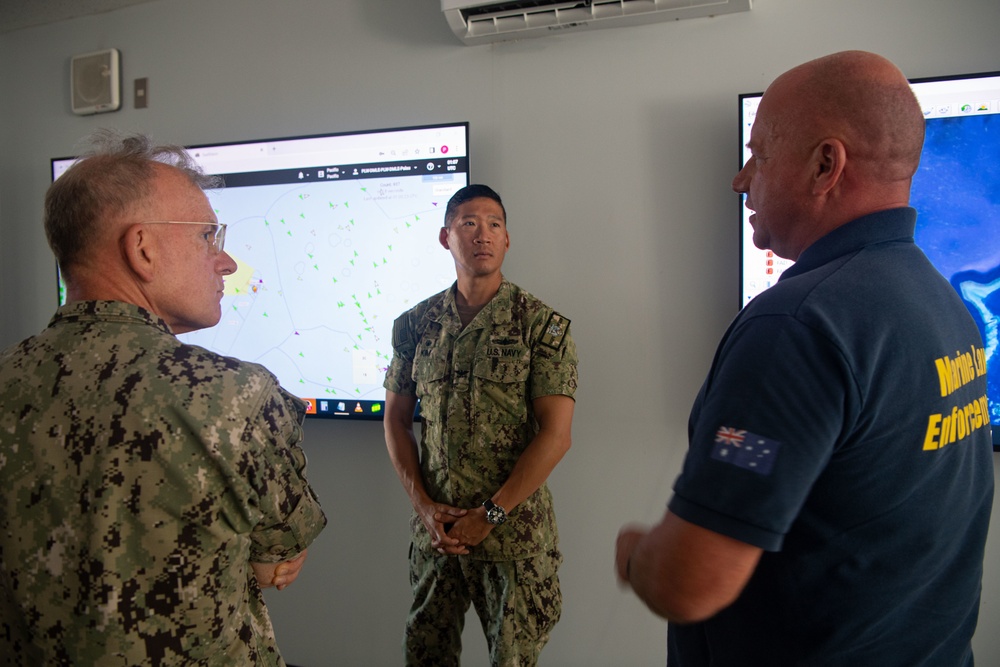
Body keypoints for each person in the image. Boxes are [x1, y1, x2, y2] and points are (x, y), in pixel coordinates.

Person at [615, 50, 994, 666]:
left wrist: (637, 554)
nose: (741, 179)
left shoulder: (794, 327)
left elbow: (691, 581)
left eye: (759, 154)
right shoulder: (941, 302)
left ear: (825, 165)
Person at [0, 130, 327, 666]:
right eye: (207, 237)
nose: (226, 262)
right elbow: (277, 560)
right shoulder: (239, 397)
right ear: (143, 248)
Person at [383, 184, 578, 666]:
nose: (482, 235)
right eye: (468, 223)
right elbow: (396, 419)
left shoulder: (540, 326)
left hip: (511, 538)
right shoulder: (414, 325)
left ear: (507, 240)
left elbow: (556, 436)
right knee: (425, 655)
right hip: (438, 534)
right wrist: (424, 507)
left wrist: (488, 516)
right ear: (446, 237)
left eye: (494, 224)